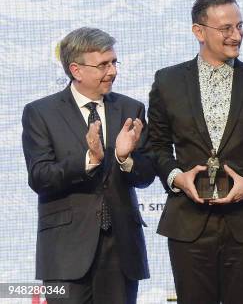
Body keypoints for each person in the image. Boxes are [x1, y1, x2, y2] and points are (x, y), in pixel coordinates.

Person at [148, 0, 243, 304]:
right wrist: (176, 177)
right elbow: (156, 146)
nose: (236, 35)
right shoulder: (167, 81)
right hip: (187, 224)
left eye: (240, 27)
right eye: (226, 28)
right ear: (199, 31)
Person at [21, 27, 155, 304]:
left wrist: (124, 158)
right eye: (103, 65)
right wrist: (89, 160)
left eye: (114, 62)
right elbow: (40, 176)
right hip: (65, 249)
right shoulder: (40, 113)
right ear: (76, 70)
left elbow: (146, 175)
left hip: (121, 249)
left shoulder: (132, 109)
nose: (112, 71)